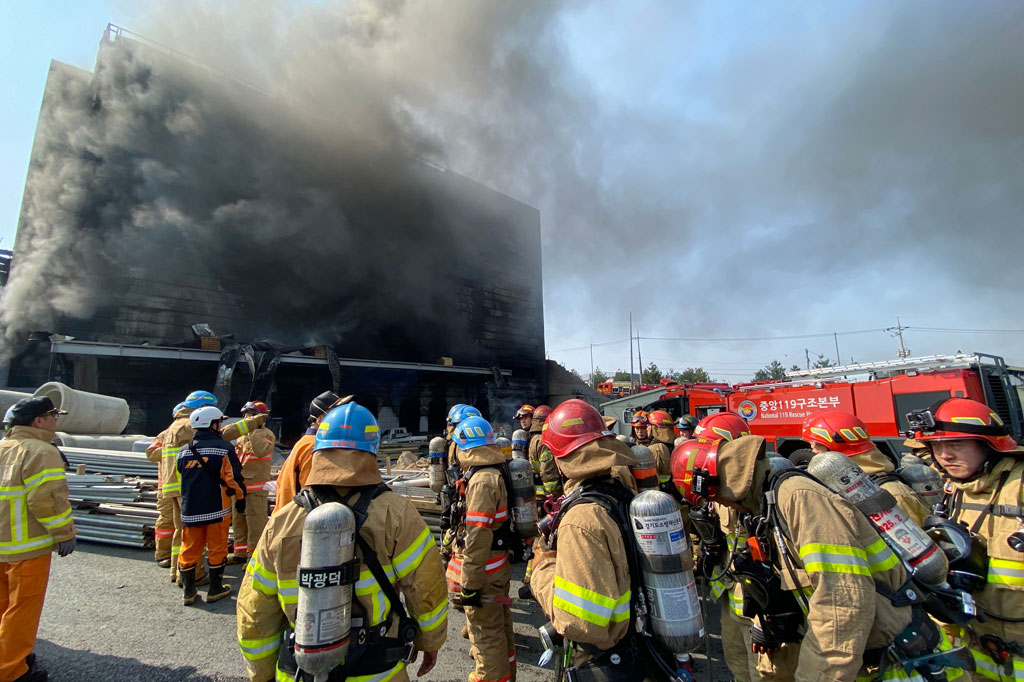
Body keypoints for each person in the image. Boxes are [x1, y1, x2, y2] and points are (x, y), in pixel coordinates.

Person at [671, 434, 967, 681]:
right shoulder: (768, 502)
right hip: (864, 659)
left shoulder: (799, 498)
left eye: (712, 498)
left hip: (895, 663)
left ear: (710, 483)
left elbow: (841, 603)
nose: (718, 505)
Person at [236, 402, 448, 682]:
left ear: (320, 448)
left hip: (300, 671)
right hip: (377, 671)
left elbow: (255, 607)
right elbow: (427, 589)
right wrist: (429, 642)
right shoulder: (397, 513)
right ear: (372, 449)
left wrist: (262, 671)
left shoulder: (282, 520)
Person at [529, 399, 654, 679]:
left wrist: (542, 571)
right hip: (639, 646)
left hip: (605, 659)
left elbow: (581, 621)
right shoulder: (619, 490)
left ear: (562, 459)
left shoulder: (582, 519)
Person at [909, 398, 1024, 682]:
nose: (944, 455)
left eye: (956, 445)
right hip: (984, 650)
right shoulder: (954, 491)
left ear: (987, 444)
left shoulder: (1019, 486)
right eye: (936, 446)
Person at [688, 412, 798, 682]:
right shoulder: (720, 487)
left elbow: (784, 566)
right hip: (732, 598)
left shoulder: (769, 492)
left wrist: (766, 621)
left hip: (762, 611)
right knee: (738, 666)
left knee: (765, 674)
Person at [0, 397, 76, 682]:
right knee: (22, 611)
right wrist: (64, 533)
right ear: (38, 421)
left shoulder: (3, 447)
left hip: (3, 545)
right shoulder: (42, 452)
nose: (56, 420)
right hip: (26, 548)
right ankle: (10, 671)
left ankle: (10, 656)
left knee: (3, 607)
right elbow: (47, 500)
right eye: (52, 415)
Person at [446, 416, 516, 682]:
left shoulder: (481, 481)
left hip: (484, 572)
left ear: (465, 447)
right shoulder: (494, 470)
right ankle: (507, 675)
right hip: (496, 568)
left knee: (485, 636)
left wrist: (470, 585)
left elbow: (477, 535)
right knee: (500, 628)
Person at [802, 410, 930, 525]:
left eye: (816, 444)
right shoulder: (848, 486)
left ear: (835, 446)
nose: (813, 450)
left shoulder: (892, 492)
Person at [176, 405, 245, 606]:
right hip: (217, 509)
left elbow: (183, 475)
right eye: (219, 422)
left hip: (190, 511)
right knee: (217, 548)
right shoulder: (224, 449)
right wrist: (240, 500)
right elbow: (233, 479)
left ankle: (189, 592)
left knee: (188, 549)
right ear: (213, 424)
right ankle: (216, 589)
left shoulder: (183, 452)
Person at [274, 391, 349, 513]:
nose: (342, 417)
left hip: (292, 517)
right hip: (298, 521)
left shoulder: (308, 442)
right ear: (320, 419)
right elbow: (312, 496)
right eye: (336, 413)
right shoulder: (313, 447)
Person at [228, 401, 276, 564]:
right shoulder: (241, 436)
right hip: (240, 485)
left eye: (250, 414)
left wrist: (255, 428)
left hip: (256, 487)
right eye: (245, 414)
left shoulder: (266, 434)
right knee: (238, 520)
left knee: (256, 523)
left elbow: (260, 450)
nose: (246, 418)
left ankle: (254, 558)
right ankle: (240, 553)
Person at [646, 410, 677, 491]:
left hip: (660, 493)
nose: (646, 429)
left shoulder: (656, 448)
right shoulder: (675, 444)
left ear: (655, 428)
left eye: (648, 425)